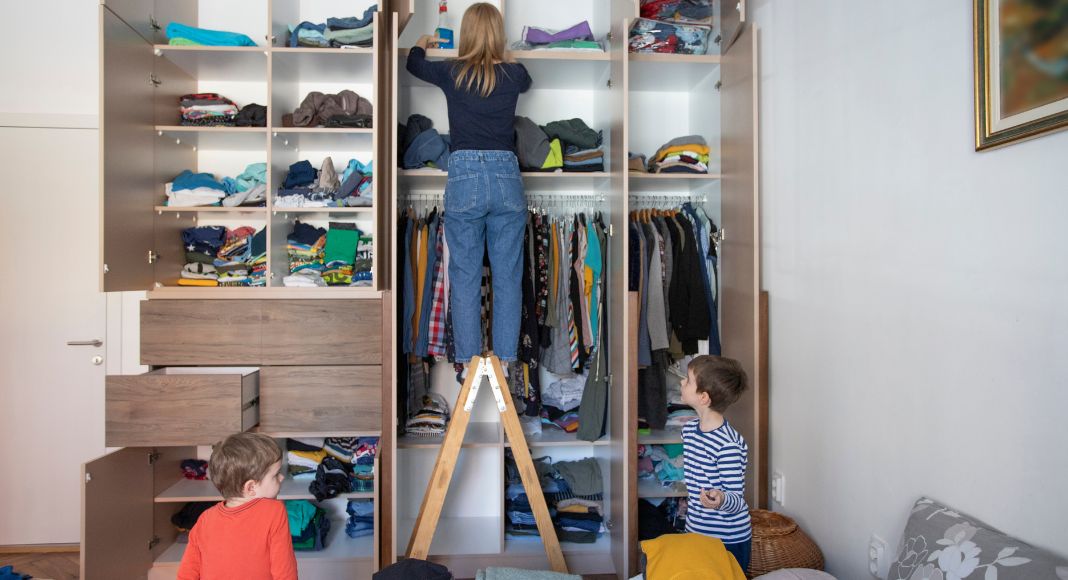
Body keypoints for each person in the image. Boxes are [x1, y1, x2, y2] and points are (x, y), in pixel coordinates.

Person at [406, 3, 532, 372]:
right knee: (508, 276)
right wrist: (503, 56)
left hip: (464, 176)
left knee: (464, 276)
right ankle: (506, 362)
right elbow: (525, 79)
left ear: (466, 34)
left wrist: (422, 41)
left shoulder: (452, 71)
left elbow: (414, 64)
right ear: (498, 35)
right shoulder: (514, 73)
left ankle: (470, 363)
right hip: (506, 175)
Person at [177, 432, 297, 579]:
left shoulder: (205, 519)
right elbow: (284, 570)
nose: (282, 477)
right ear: (251, 487)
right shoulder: (274, 512)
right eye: (275, 474)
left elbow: (188, 572)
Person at [679, 355, 753, 571]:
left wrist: (720, 499)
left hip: (727, 539)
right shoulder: (690, 431)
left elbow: (736, 501)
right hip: (696, 529)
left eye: (688, 380)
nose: (682, 382)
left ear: (703, 397)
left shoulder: (727, 445)